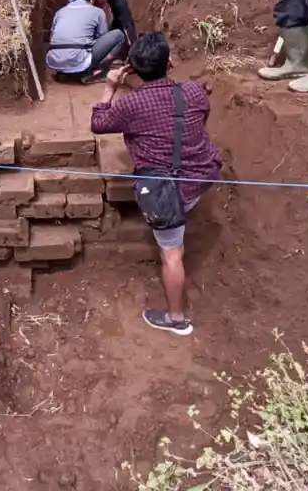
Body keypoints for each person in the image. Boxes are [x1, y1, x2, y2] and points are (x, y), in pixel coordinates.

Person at [91, 32, 222, 337]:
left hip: (166, 192)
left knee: (172, 255)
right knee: (183, 207)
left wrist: (110, 88)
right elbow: (196, 119)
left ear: (132, 69)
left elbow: (99, 123)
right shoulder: (193, 92)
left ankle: (177, 319)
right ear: (170, 62)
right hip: (202, 174)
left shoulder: (132, 104)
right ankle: (185, 212)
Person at [46, 0, 126, 83]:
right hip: (80, 60)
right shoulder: (98, 12)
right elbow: (102, 36)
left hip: (54, 62)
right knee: (118, 35)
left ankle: (65, 73)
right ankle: (95, 71)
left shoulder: (59, 12)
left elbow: (52, 38)